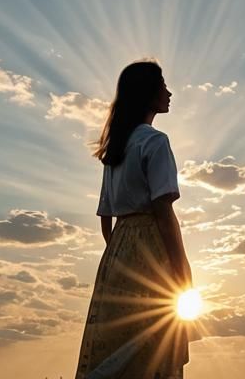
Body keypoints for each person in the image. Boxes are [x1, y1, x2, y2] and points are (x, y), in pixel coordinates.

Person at [74, 59, 193, 379]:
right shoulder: (155, 141)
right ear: (148, 92)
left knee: (117, 342)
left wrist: (118, 252)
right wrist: (181, 268)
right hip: (151, 247)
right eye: (163, 85)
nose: (168, 92)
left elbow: (105, 215)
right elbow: (164, 211)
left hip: (118, 252)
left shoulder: (117, 148)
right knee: (153, 344)